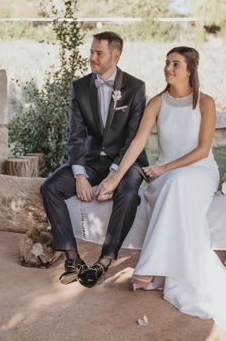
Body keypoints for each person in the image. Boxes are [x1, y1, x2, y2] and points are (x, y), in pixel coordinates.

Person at [104, 46, 226, 335]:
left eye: (175, 64)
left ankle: (149, 268)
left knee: (177, 182)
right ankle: (156, 268)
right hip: (166, 174)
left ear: (189, 70)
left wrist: (164, 168)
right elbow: (136, 143)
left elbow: (201, 151)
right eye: (167, 63)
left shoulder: (206, 103)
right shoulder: (157, 103)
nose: (168, 68)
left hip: (199, 171)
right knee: (173, 185)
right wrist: (115, 178)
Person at [41, 31, 148, 288]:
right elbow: (75, 135)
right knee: (50, 187)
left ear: (116, 55)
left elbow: (133, 138)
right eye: (91, 52)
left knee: (129, 192)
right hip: (90, 161)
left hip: (125, 161)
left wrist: (113, 177)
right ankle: (73, 258)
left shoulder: (135, 88)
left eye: (98, 53)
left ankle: (106, 259)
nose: (92, 58)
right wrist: (79, 174)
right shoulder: (80, 87)